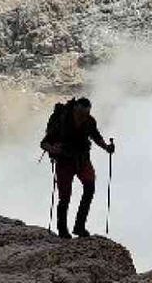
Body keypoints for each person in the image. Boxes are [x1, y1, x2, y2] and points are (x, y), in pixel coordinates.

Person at [40, 97, 114, 238]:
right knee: (65, 197)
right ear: (75, 109)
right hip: (65, 161)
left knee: (89, 187)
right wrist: (54, 150)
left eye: (85, 114)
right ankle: (64, 230)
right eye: (81, 113)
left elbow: (96, 137)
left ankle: (78, 226)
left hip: (81, 159)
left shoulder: (89, 121)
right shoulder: (62, 121)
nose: (83, 117)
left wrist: (106, 147)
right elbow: (44, 143)